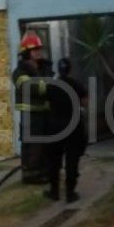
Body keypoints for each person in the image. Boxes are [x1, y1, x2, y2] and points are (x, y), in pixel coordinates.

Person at [44, 58, 88, 203]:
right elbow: (85, 102)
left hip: (54, 127)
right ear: (70, 69)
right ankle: (70, 193)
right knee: (72, 160)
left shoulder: (52, 86)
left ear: (58, 70)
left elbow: (46, 102)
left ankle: (54, 192)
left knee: (54, 161)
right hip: (74, 127)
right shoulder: (76, 84)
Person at [11, 30, 50, 184]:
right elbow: (29, 87)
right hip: (29, 114)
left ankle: (44, 172)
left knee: (45, 144)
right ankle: (31, 175)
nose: (38, 52)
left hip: (44, 112)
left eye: (39, 49)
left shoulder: (43, 68)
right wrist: (48, 86)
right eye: (34, 50)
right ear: (27, 53)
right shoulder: (19, 71)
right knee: (32, 144)